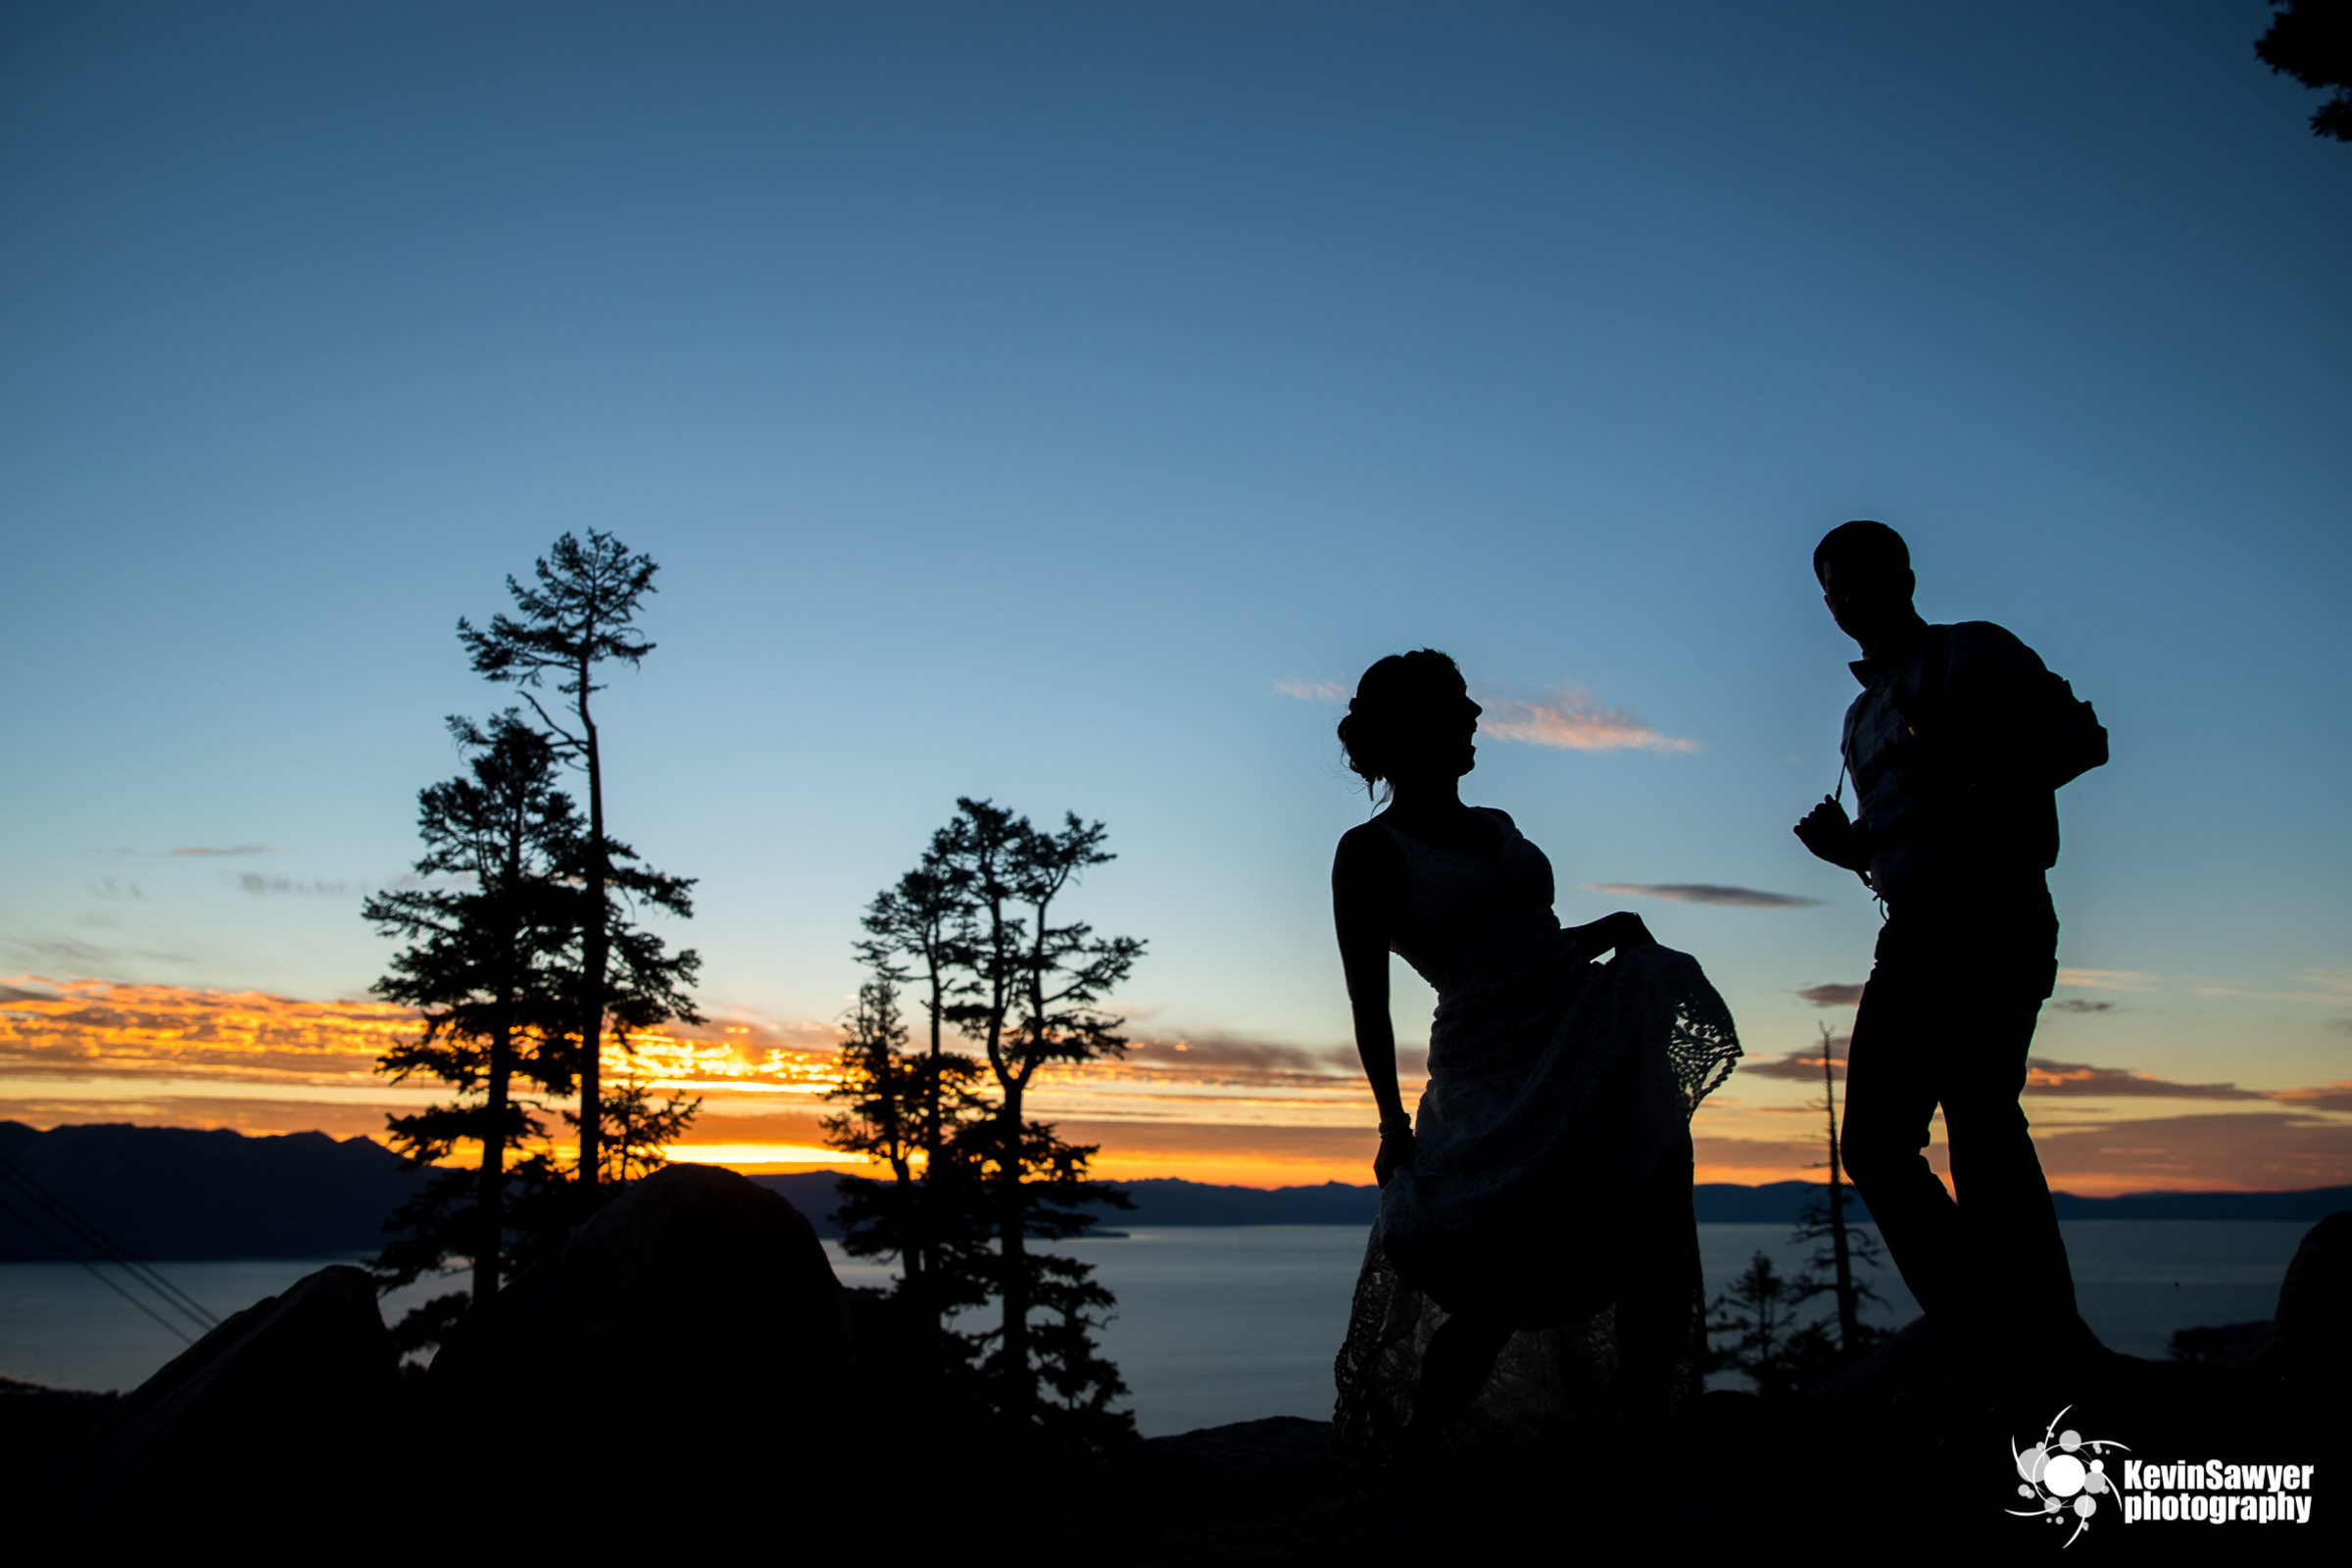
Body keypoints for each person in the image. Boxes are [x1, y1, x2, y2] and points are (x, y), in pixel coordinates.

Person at [1328, 650, 1740, 1463]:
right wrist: (1388, 1123)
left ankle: (1648, 1435)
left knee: (1645, 1228)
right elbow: (1368, 1002)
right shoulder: (1370, 851)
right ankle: (1418, 1449)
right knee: (1499, 1283)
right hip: (1489, 1069)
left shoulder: (1498, 824)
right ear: (1415, 727)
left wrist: (1609, 928)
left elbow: (1531, 945)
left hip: (1578, 1039)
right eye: (1457, 704)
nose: (1477, 714)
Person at [1792, 519, 2108, 1382]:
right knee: (1875, 1145)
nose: (1849, 600)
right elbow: (1904, 834)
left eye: (1862, 578)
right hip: (1912, 930)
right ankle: (1989, 1328)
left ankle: (2044, 1340)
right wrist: (1847, 850)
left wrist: (1968, 769)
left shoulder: (1978, 654)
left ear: (1904, 575)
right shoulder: (1858, 716)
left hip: (1995, 908)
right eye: (1835, 589)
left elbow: (2082, 740)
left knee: (1980, 1117)